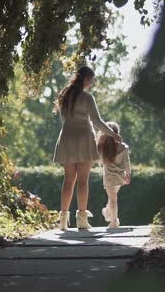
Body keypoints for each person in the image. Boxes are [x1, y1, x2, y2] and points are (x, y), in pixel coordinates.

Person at [52, 66, 122, 230]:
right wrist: (113, 134)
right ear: (85, 79)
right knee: (82, 180)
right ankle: (81, 219)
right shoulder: (87, 98)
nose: (91, 83)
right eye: (91, 80)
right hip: (83, 140)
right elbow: (97, 121)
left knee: (68, 180)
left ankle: (63, 220)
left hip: (67, 139)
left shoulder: (64, 95)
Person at [97, 121, 131, 228]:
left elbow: (96, 157)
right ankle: (107, 212)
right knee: (112, 198)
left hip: (109, 177)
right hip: (120, 177)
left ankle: (114, 220)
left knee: (113, 199)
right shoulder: (124, 147)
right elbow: (126, 162)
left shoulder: (102, 148)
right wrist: (128, 173)